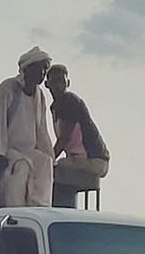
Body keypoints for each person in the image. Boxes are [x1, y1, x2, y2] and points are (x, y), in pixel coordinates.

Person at [0, 47, 55, 207]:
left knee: (44, 162)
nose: (42, 73)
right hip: (8, 149)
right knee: (22, 167)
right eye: (39, 68)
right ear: (27, 68)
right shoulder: (7, 88)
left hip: (28, 150)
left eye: (44, 69)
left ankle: (39, 206)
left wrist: (50, 155)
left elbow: (41, 129)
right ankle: (15, 210)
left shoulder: (40, 95)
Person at [46, 64, 110, 206]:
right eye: (54, 82)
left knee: (49, 171)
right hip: (80, 158)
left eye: (61, 81)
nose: (58, 86)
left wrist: (48, 160)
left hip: (94, 160)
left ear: (67, 83)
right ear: (47, 85)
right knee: (53, 167)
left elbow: (64, 139)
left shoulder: (70, 101)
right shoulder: (55, 107)